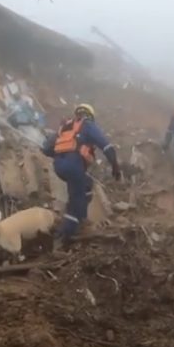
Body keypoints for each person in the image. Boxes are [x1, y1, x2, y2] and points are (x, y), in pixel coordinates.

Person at [43, 104, 120, 248]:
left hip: (59, 166)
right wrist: (115, 165)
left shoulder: (65, 127)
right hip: (74, 166)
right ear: (90, 115)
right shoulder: (88, 125)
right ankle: (63, 237)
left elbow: (46, 149)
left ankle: (81, 220)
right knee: (76, 201)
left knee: (86, 185)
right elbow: (106, 146)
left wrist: (62, 154)